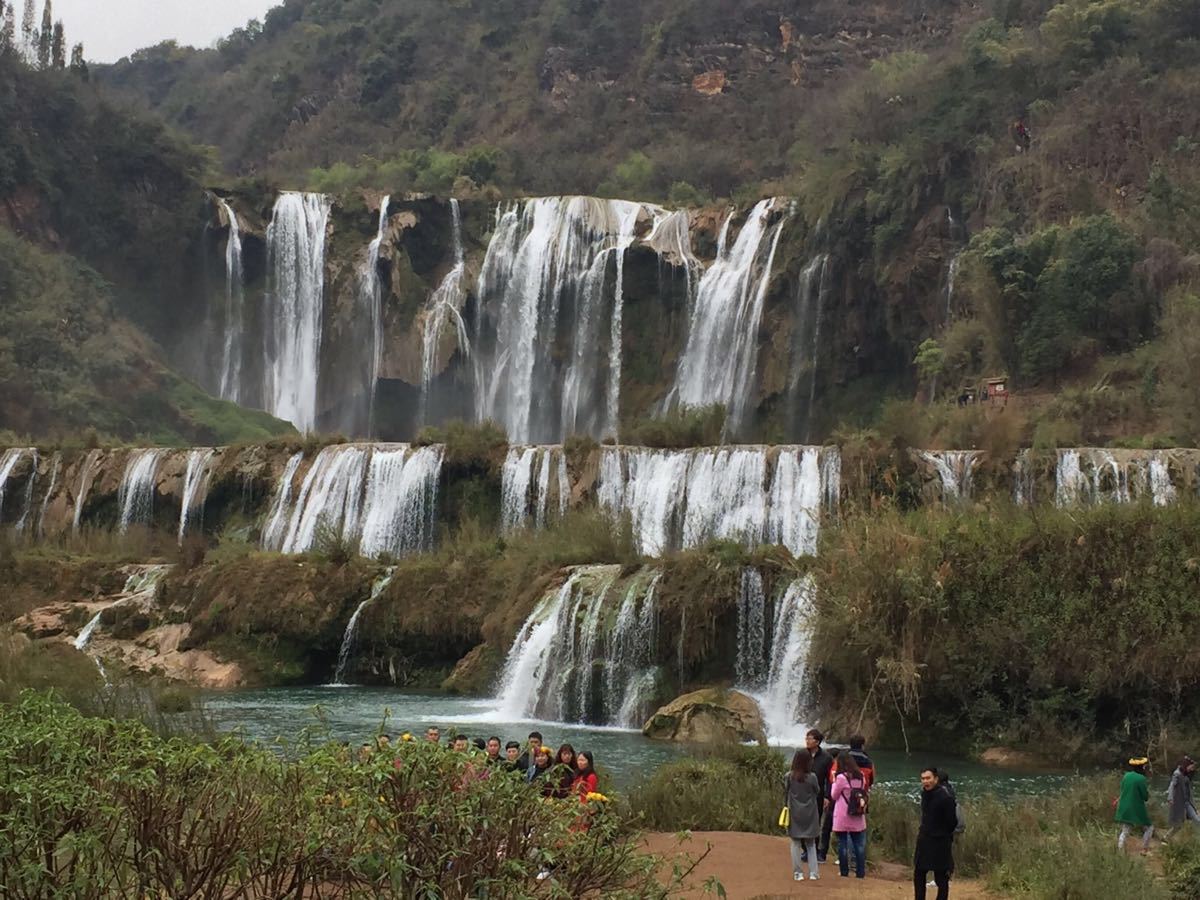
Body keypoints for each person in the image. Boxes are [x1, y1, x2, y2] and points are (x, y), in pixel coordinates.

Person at [914, 767, 957, 900]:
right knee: (919, 874)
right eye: (923, 779)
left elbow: (952, 822)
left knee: (941, 878)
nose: (925, 781)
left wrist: (942, 833)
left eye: (928, 778)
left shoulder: (945, 797)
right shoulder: (924, 794)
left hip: (940, 841)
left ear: (936, 779)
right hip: (925, 839)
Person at [784, 750, 823, 882]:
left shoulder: (789, 776)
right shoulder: (812, 777)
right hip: (810, 813)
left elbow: (785, 792)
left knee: (795, 843)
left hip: (794, 813)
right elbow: (817, 791)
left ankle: (797, 873)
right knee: (811, 844)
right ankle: (814, 873)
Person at [831, 751, 868, 879]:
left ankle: (844, 872)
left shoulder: (841, 778)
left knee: (843, 844)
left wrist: (834, 782)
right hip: (857, 814)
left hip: (843, 814)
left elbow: (834, 795)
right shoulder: (861, 776)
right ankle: (860, 872)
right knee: (859, 845)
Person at [807, 729, 834, 861]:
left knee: (815, 823)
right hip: (803, 793)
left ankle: (814, 850)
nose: (807, 740)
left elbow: (829, 779)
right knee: (803, 821)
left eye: (809, 738)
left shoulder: (826, 758)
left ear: (817, 742)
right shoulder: (802, 754)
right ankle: (805, 849)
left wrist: (827, 796)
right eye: (806, 738)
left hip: (818, 795)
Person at [1116, 757, 1153, 853]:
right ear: (1141, 767)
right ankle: (1144, 849)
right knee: (1149, 827)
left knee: (1125, 831)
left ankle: (1120, 851)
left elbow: (1123, 790)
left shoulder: (1126, 776)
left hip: (1124, 807)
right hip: (1136, 808)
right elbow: (1145, 796)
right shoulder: (1141, 779)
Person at [1167, 756, 1199, 839]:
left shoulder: (1187, 774)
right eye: (1191, 767)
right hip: (1179, 803)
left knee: (1197, 820)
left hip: (1187, 803)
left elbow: (1189, 792)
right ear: (1186, 765)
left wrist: (1195, 807)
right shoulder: (1177, 774)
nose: (1192, 769)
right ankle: (1166, 837)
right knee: (1178, 825)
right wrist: (1170, 798)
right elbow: (1172, 786)